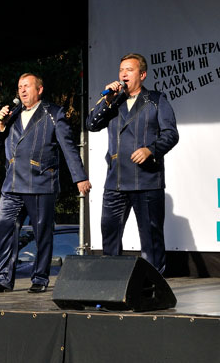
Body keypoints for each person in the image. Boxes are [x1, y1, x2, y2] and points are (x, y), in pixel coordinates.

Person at [0, 73, 91, 294]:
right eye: (19, 87)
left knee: (42, 233)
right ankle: (2, 279)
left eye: (27, 86)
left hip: (40, 182)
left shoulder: (54, 113)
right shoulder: (12, 115)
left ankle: (40, 278)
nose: (22, 90)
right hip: (12, 184)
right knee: (4, 228)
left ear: (39, 90)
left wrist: (79, 177)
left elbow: (68, 147)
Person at [87, 53, 179, 274]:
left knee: (151, 239)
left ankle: (153, 284)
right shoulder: (113, 101)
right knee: (110, 235)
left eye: (129, 70)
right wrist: (107, 101)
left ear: (142, 74)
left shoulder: (156, 100)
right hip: (116, 181)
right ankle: (111, 283)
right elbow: (91, 124)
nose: (123, 74)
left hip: (146, 179)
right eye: (121, 70)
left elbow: (171, 134)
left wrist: (151, 149)